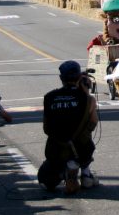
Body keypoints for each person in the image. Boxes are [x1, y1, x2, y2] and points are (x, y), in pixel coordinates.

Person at [38, 60, 99, 194]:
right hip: (82, 149)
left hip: (55, 149)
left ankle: (65, 170)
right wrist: (85, 91)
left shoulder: (49, 97)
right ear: (79, 77)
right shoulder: (88, 99)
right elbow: (93, 122)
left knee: (45, 179)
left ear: (61, 78)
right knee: (86, 140)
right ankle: (84, 172)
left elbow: (46, 128)